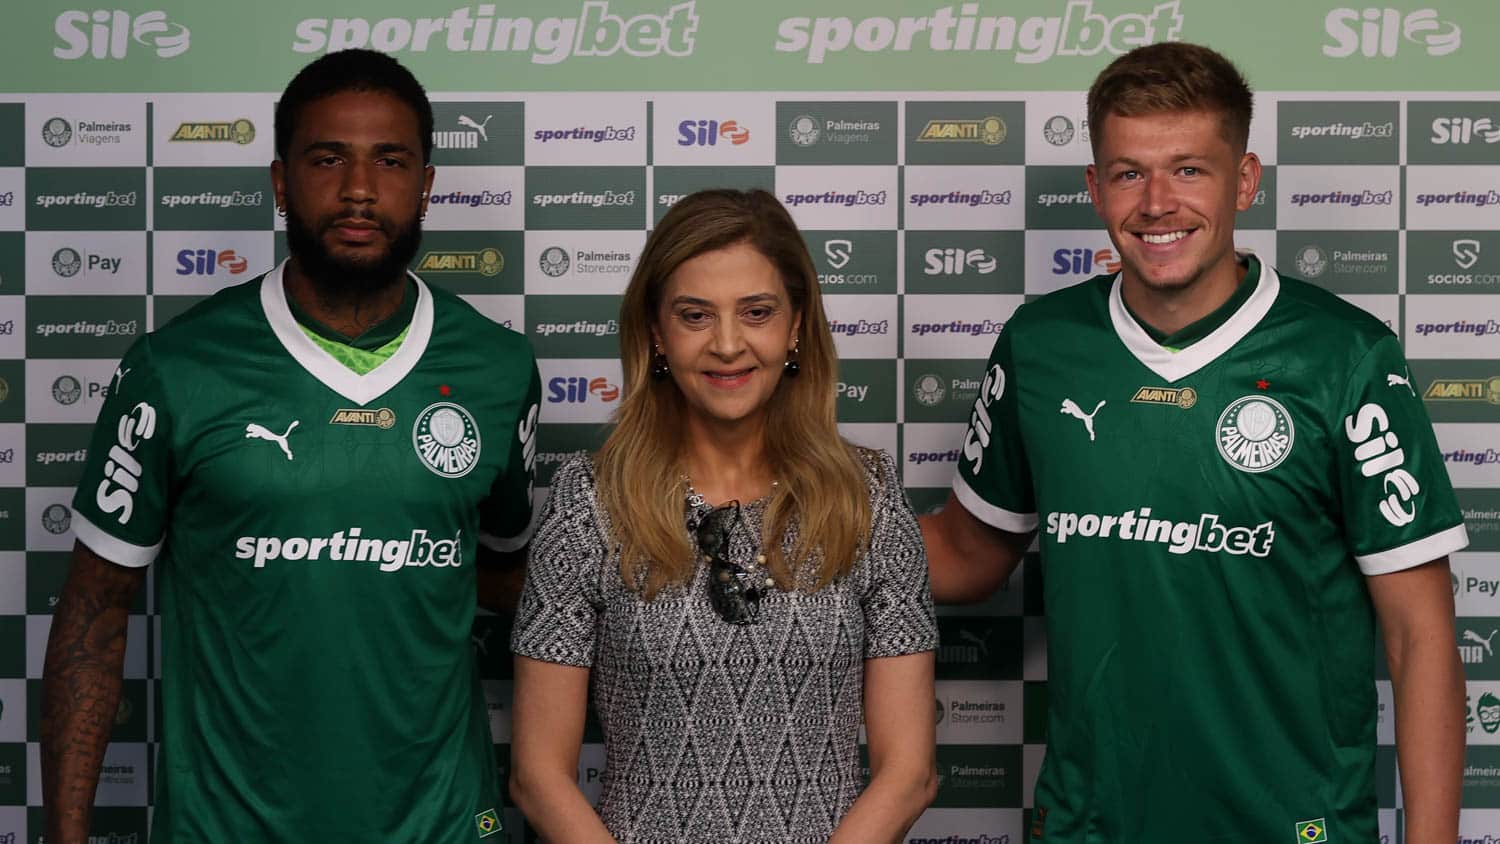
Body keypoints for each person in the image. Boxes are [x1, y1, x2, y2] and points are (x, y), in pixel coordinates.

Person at [919, 42, 1465, 843]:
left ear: (1244, 179)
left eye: (1189, 170)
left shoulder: (1345, 356)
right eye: (1130, 172)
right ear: (1095, 187)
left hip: (1292, 827)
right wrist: (797, 517)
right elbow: (969, 554)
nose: (1157, 202)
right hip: (1090, 825)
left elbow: (1421, 637)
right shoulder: (1040, 345)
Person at [41, 49, 539, 843]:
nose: (359, 190)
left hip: (440, 824)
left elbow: (517, 579)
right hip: (227, 828)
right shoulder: (176, 369)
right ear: (280, 182)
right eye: (327, 158)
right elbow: (95, 614)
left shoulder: (498, 368)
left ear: (426, 184)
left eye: (390, 161)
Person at [508, 188, 938, 842]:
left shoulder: (867, 498)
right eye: (695, 315)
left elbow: (909, 773)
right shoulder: (589, 501)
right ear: (656, 331)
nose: (728, 344)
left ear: (796, 325)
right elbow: (537, 777)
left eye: (757, 312)